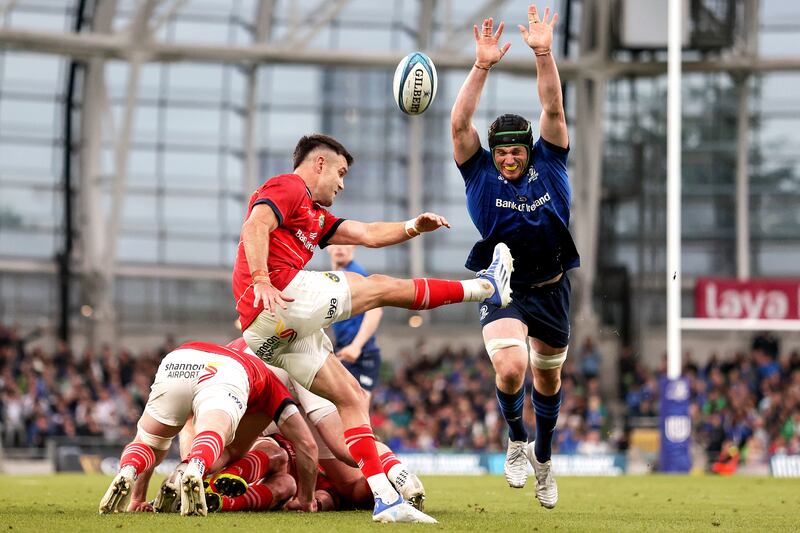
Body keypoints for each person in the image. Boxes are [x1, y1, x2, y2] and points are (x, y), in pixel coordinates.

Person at [233, 133, 514, 524]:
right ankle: (485, 287)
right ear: (319, 164)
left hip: (269, 333)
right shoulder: (288, 186)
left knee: (350, 397)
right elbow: (255, 225)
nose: (342, 183)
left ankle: (386, 500)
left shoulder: (314, 216)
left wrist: (413, 226)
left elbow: (367, 233)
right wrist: (261, 278)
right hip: (280, 295)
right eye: (341, 172)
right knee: (379, 287)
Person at [450, 4, 578, 509]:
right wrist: (482, 65)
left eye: (514, 151)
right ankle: (516, 439)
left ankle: (544, 461)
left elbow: (553, 109)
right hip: (503, 284)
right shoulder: (478, 173)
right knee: (510, 368)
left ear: (527, 151)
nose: (506, 158)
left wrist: (543, 54)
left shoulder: (551, 164)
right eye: (499, 151)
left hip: (552, 289)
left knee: (548, 379)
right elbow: (461, 123)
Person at [98, 341, 318, 516]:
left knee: (149, 441)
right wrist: (306, 500)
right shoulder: (272, 383)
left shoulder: (237, 348)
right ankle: (194, 467)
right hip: (228, 373)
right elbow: (307, 444)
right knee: (217, 439)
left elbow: (182, 429)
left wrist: (138, 500)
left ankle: (128, 471)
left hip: (180, 358)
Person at [327, 244, 383, 399]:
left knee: (357, 408)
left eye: (345, 243)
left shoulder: (354, 275)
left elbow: (375, 310)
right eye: (335, 243)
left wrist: (356, 346)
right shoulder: (335, 276)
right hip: (343, 351)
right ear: (327, 247)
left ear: (353, 247)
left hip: (361, 354)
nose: (340, 247)